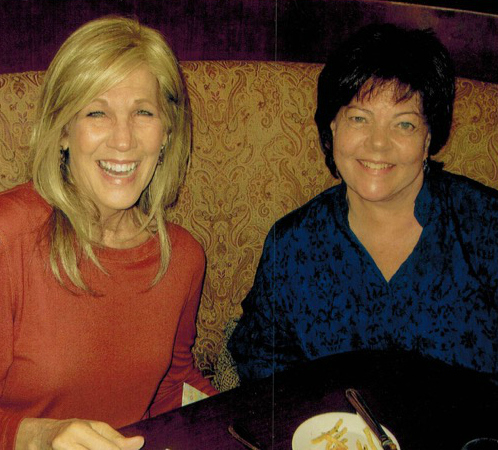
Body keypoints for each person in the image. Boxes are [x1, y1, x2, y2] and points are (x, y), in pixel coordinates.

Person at [228, 24, 498, 383]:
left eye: (404, 125)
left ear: (428, 137)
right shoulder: (292, 246)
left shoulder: (485, 226)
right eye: (359, 118)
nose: (377, 144)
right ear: (333, 127)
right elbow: (263, 363)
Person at [0, 16, 217, 450]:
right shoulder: (8, 238)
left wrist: (241, 424)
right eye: (97, 112)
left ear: (166, 132)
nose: (123, 140)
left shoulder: (183, 257)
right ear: (63, 131)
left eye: (143, 112)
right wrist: (35, 436)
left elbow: (173, 384)